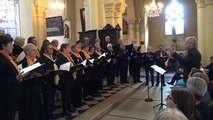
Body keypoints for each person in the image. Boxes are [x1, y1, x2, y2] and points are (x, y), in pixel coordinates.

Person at [0, 36, 28, 120]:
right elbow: (1, 80)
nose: (12, 46)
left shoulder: (7, 57)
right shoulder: (1, 59)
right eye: (10, 44)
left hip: (12, 92)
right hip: (6, 95)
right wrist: (17, 77)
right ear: (3, 46)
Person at [18, 44, 44, 120]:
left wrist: (42, 73)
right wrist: (30, 75)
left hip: (36, 85)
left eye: (36, 50)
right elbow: (20, 76)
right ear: (27, 52)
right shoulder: (22, 62)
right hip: (27, 88)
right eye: (33, 50)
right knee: (29, 106)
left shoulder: (38, 61)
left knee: (37, 105)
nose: (35, 52)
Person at [38, 43, 60, 119]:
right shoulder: (42, 59)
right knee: (47, 100)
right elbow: (40, 71)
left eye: (52, 48)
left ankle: (50, 114)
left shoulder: (50, 57)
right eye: (50, 48)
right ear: (45, 50)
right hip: (47, 83)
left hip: (51, 82)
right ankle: (47, 116)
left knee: (51, 100)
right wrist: (45, 73)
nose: (52, 50)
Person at [56, 44, 78, 116]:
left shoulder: (69, 56)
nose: (70, 49)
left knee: (69, 94)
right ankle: (65, 110)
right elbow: (61, 67)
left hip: (70, 77)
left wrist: (75, 67)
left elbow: (71, 64)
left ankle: (69, 107)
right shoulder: (61, 57)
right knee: (65, 95)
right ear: (63, 49)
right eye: (68, 48)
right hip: (65, 78)